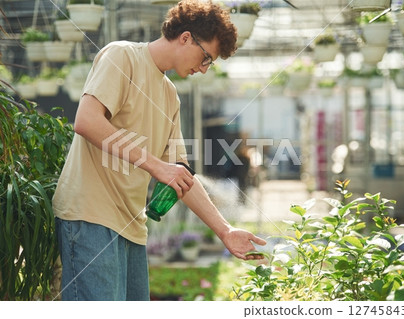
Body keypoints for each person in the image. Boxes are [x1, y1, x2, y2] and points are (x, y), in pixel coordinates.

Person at [52, 0, 266, 301]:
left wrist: (225, 230)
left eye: (210, 64)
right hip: (90, 218)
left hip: (131, 227)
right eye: (206, 58)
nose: (204, 70)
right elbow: (86, 121)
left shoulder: (169, 96)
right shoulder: (122, 56)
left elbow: (181, 176)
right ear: (186, 37)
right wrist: (156, 165)